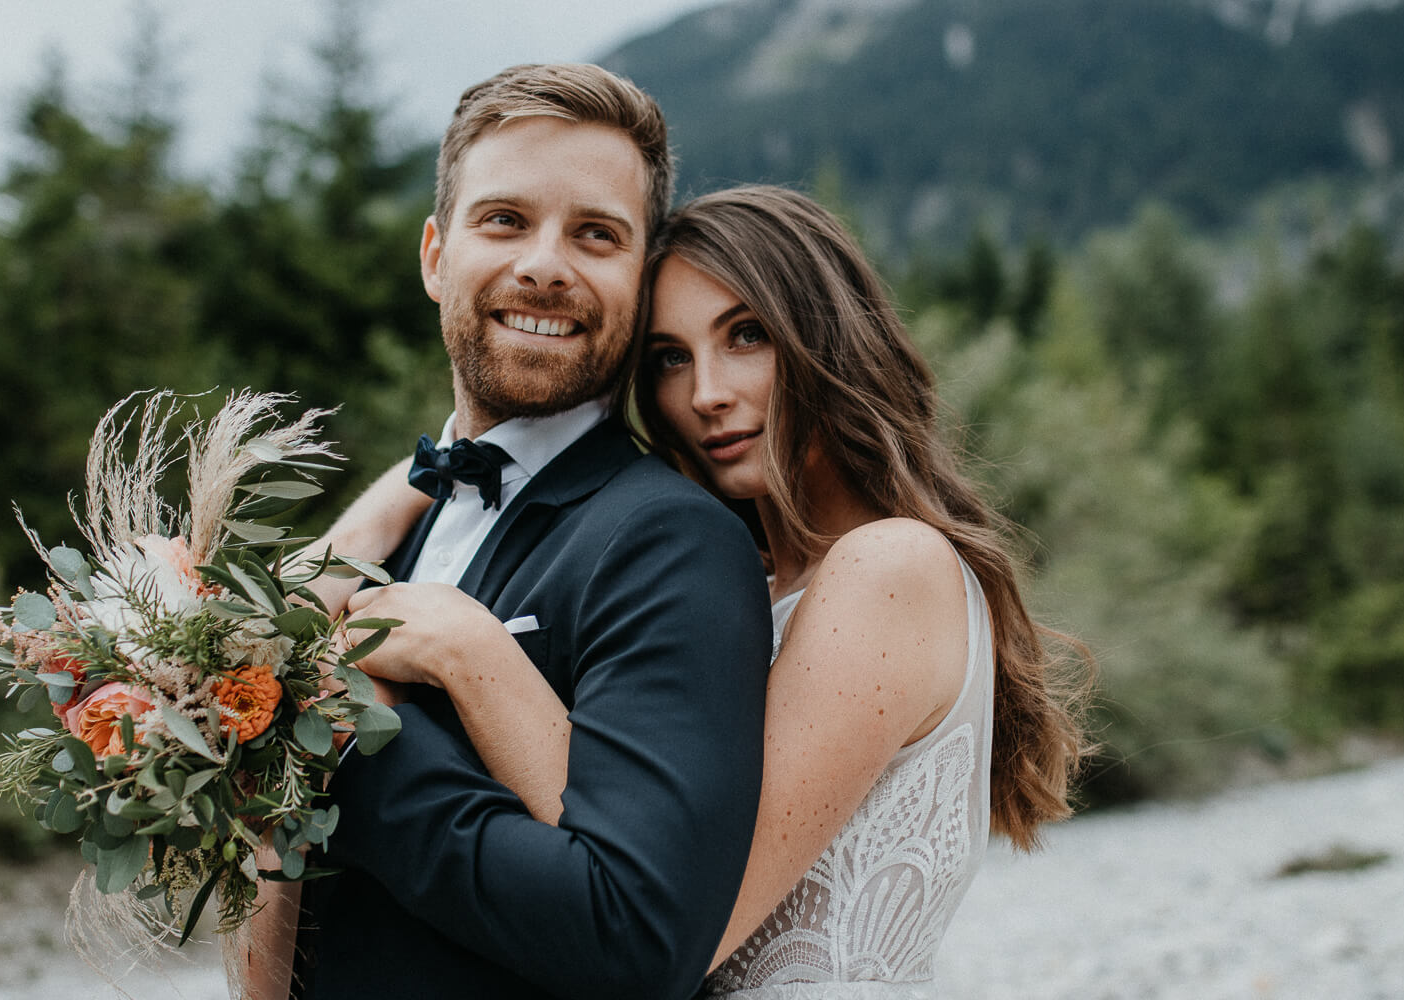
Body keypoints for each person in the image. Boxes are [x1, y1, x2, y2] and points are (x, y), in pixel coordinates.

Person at [351, 185, 1090, 996]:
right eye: (671, 357)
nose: (706, 393)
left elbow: (677, 912)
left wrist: (471, 654)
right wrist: (393, 507)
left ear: (829, 339)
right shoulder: (757, 575)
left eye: (746, 336)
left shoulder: (889, 569)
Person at [245, 66, 774, 1000]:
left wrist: (348, 731)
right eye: (504, 221)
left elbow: (637, 938)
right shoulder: (378, 541)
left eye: (597, 235)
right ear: (435, 257)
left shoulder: (671, 544)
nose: (545, 264)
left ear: (640, 280)